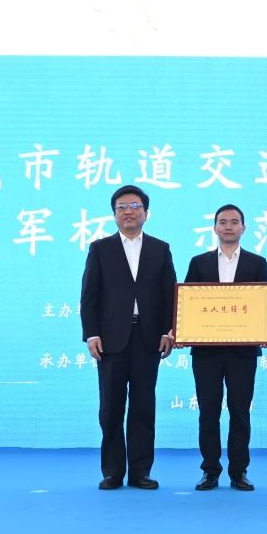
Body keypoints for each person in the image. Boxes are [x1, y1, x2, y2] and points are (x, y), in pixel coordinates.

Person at [80, 185, 176, 490]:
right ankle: (112, 471)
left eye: (135, 206)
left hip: (149, 338)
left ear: (146, 213)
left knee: (143, 407)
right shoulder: (100, 248)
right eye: (122, 207)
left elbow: (170, 295)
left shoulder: (160, 248)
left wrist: (169, 331)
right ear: (114, 214)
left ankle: (140, 471)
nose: (128, 211)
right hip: (110, 339)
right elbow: (89, 295)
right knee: (110, 407)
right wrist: (91, 334)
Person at [184, 204, 267, 491]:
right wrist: (181, 328)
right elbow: (188, 303)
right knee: (208, 412)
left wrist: (266, 327)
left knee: (240, 412)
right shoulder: (199, 263)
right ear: (215, 228)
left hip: (242, 352)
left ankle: (238, 471)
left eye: (234, 222)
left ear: (243, 228)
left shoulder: (257, 263)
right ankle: (210, 471)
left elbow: (263, 303)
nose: (229, 226)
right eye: (223, 222)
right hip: (206, 351)